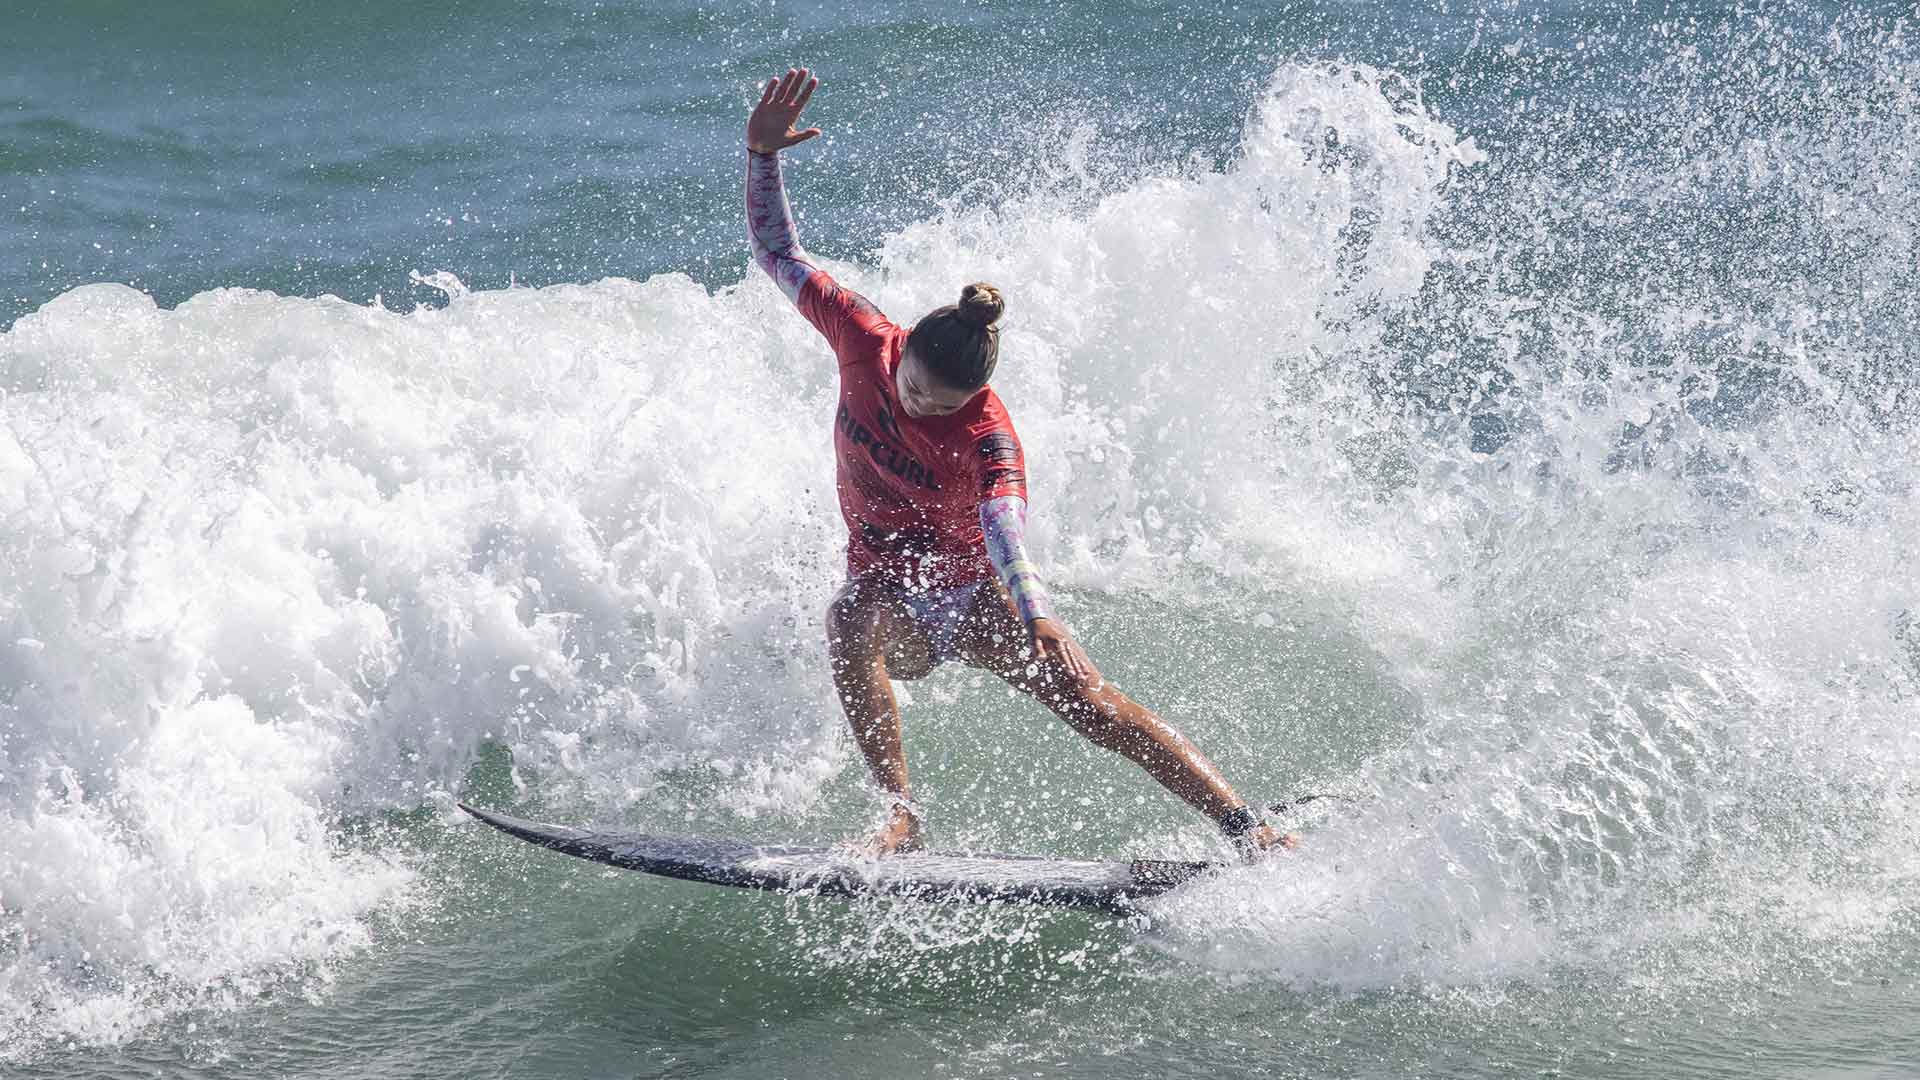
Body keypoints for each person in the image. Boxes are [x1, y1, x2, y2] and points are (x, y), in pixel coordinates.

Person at [746, 67, 1292, 858]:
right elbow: (779, 251)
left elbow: (1006, 532)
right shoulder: (863, 335)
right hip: (890, 589)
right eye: (916, 391)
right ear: (902, 352)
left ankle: (1248, 827)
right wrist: (761, 156)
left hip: (971, 592)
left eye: (945, 404)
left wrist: (1036, 614)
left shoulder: (987, 437)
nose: (923, 408)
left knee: (1094, 707)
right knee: (848, 618)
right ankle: (901, 815)